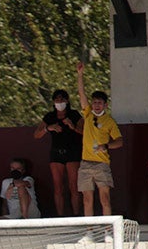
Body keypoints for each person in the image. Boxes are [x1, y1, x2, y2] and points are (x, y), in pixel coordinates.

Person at [76, 61, 124, 216]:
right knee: (87, 199)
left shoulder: (109, 121)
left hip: (102, 164)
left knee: (104, 198)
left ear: (105, 105)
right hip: (85, 163)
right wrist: (80, 75)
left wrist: (106, 146)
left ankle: (108, 233)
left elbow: (120, 141)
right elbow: (81, 94)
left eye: (100, 103)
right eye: (94, 102)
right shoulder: (88, 113)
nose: (96, 105)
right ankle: (89, 233)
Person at [34, 89, 83, 216]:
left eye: (62, 100)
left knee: (74, 187)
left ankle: (77, 216)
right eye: (57, 100)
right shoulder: (50, 117)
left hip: (72, 153)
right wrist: (48, 128)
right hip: (56, 153)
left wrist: (73, 126)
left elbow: (85, 132)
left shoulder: (74, 114)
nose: (59, 102)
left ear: (67, 101)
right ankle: (60, 216)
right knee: (58, 187)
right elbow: (37, 135)